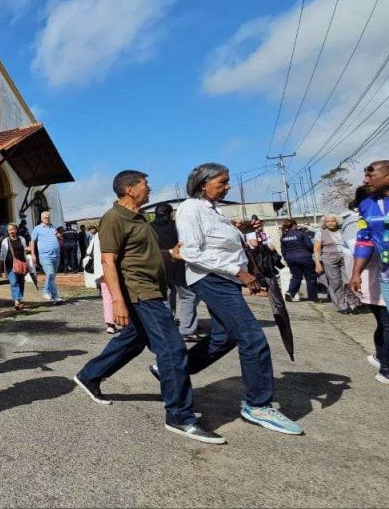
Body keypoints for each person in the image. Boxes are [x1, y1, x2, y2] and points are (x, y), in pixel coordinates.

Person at [73, 171, 223, 444]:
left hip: (153, 289)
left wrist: (171, 254)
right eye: (145, 184)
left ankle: (89, 375)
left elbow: (143, 253)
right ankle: (180, 416)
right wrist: (118, 300)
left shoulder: (141, 217)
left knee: (134, 340)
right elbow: (108, 262)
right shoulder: (114, 218)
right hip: (139, 293)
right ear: (130, 189)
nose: (150, 189)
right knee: (172, 349)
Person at [175, 163, 303, 435]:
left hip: (226, 279)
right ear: (203, 184)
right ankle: (258, 405)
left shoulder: (213, 210)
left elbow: (218, 241)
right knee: (253, 338)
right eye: (222, 182)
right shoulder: (190, 209)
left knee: (226, 336)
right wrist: (240, 273)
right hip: (211, 279)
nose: (227, 186)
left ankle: (175, 369)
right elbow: (191, 252)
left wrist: (241, 229)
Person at [349, 160, 389, 384]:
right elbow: (364, 241)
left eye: (371, 175)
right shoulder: (367, 205)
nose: (365, 180)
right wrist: (356, 273)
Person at [151, 203, 200, 341]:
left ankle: (168, 326)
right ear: (171, 213)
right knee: (188, 296)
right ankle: (187, 330)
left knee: (166, 296)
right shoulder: (177, 226)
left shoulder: (150, 227)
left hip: (160, 266)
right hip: (179, 265)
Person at [316, 214, 361, 314]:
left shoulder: (343, 230)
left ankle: (353, 303)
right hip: (329, 258)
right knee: (335, 282)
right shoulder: (320, 232)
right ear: (324, 223)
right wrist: (317, 263)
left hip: (345, 257)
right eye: (328, 221)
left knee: (349, 280)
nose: (330, 223)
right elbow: (317, 249)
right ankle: (342, 305)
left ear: (337, 221)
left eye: (332, 221)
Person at [82, 229, 116, 334]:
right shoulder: (114, 232)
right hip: (114, 269)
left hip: (101, 270)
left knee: (106, 296)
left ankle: (110, 324)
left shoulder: (97, 235)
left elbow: (88, 251)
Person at [280, 219, 318, 303]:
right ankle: (313, 298)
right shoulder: (301, 234)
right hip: (304, 258)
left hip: (291, 259)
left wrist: (287, 258)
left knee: (296, 276)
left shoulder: (283, 237)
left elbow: (283, 251)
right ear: (294, 225)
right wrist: (309, 253)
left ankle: (290, 292)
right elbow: (309, 245)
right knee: (310, 277)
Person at [30, 211, 62, 303]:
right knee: (50, 274)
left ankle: (51, 295)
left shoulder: (53, 227)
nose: (47, 219)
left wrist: (59, 235)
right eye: (45, 217)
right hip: (45, 256)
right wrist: (33, 254)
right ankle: (52, 294)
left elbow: (59, 237)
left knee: (51, 276)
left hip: (56, 255)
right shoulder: (37, 229)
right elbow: (32, 241)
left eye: (48, 217)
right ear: (41, 219)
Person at [0, 222, 28, 311]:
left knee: (21, 282)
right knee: (14, 282)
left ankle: (18, 298)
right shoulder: (5, 241)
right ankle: (16, 302)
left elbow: (25, 251)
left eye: (13, 229)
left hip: (21, 264)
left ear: (16, 230)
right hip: (10, 265)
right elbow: (2, 253)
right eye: (9, 230)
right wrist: (0, 265)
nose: (11, 231)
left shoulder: (22, 239)